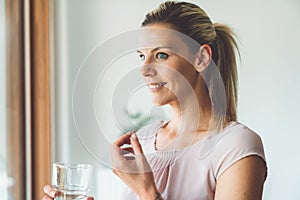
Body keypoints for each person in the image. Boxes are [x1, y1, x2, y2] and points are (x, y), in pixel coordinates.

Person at [43, 1, 267, 200]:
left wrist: (148, 193)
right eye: (142, 56)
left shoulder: (236, 147)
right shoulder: (143, 140)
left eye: (161, 55)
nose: (145, 69)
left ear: (201, 58)